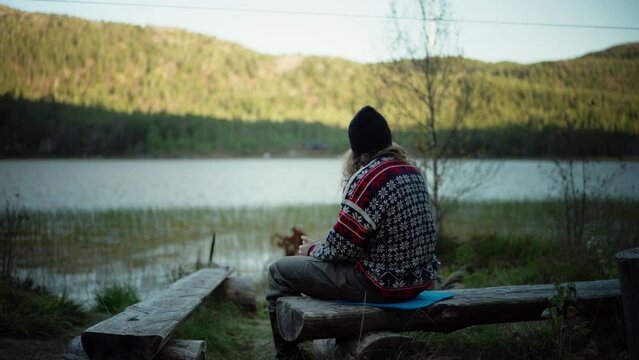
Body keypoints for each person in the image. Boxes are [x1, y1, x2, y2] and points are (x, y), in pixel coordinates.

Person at [266, 105, 439, 359]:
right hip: (418, 283)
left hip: (382, 286)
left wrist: (311, 249)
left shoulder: (367, 179)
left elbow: (340, 250)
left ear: (357, 150)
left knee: (279, 272)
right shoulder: (413, 171)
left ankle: (288, 356)